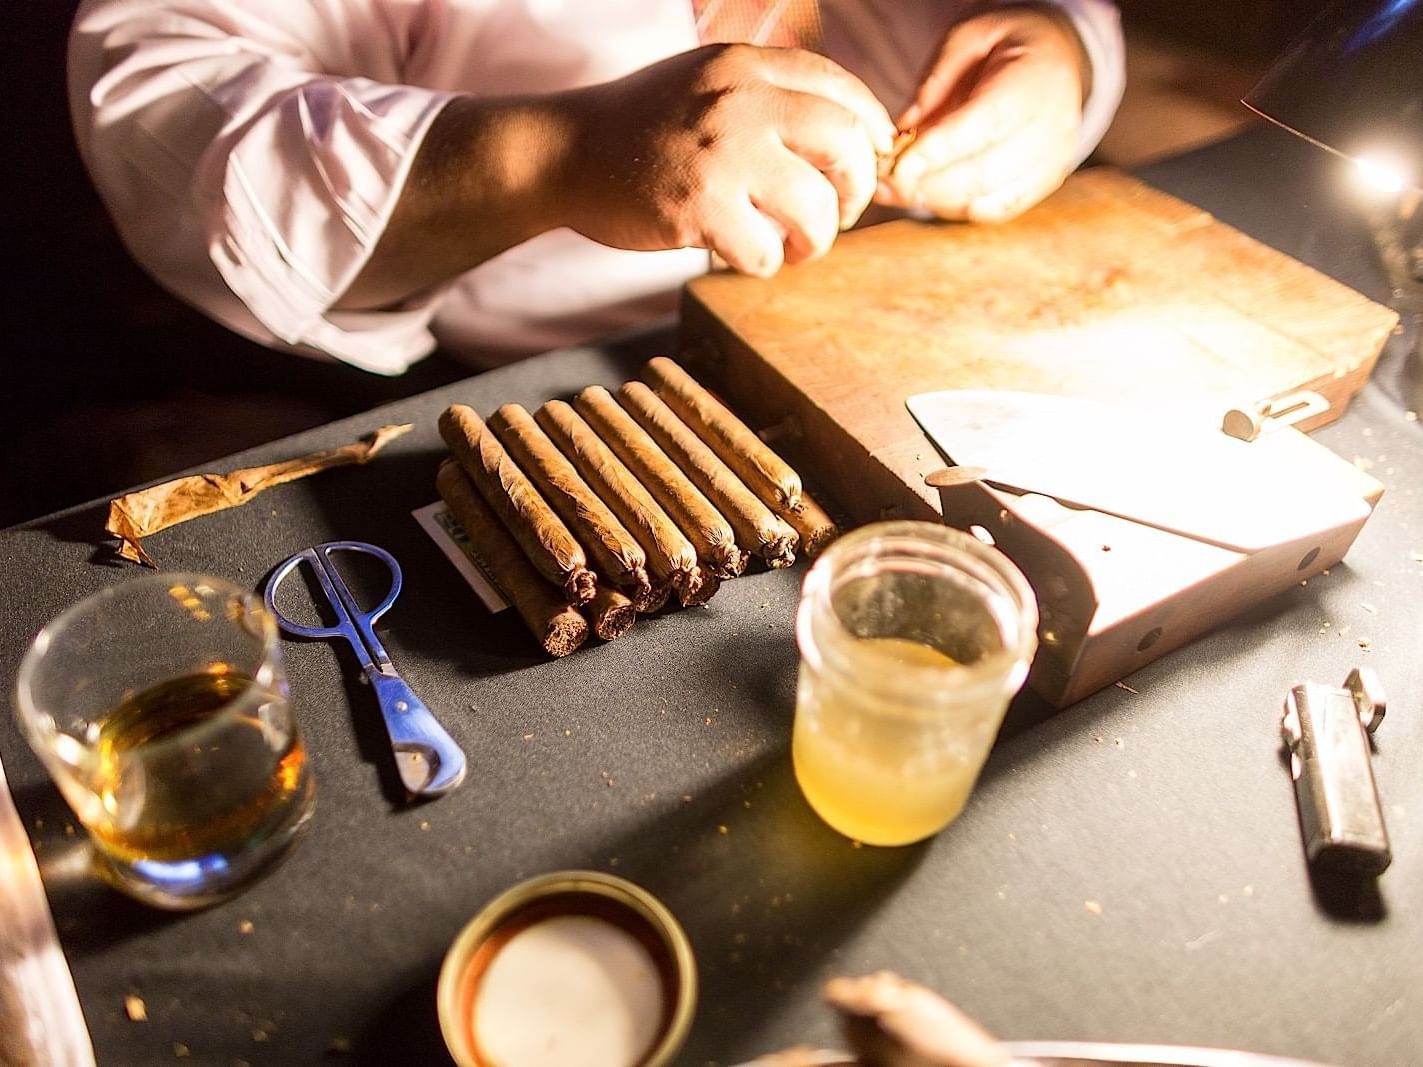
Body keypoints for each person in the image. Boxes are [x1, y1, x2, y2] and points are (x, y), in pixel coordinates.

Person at [67, 1, 1124, 376]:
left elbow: (1069, 15)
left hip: (913, 297)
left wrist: (1062, 45)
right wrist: (551, 157)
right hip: (550, 377)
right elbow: (161, 89)